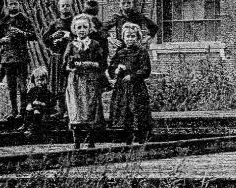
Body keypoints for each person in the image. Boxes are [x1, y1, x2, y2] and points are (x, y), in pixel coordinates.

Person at [61, 13, 108, 148]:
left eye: (85, 27)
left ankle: (90, 140)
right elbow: (65, 64)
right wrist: (71, 67)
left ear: (89, 29)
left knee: (90, 108)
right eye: (79, 27)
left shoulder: (95, 44)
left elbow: (102, 63)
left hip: (90, 80)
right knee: (76, 108)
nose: (82, 30)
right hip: (75, 81)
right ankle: (76, 141)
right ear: (74, 29)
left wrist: (90, 64)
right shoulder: (71, 45)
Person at [108, 22, 154, 145]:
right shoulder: (120, 52)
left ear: (138, 37)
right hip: (122, 87)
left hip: (136, 88)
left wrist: (132, 76)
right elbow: (111, 67)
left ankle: (141, 140)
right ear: (123, 37)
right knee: (124, 112)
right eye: (127, 36)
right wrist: (116, 70)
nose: (130, 39)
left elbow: (145, 70)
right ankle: (127, 140)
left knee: (138, 112)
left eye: (133, 36)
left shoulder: (142, 51)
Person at [0, 0, 38, 122]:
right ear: (7, 5)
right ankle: (13, 111)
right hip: (8, 57)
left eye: (16, 3)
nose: (13, 6)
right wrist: (2, 40)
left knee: (22, 85)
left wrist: (22, 33)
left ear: (19, 4)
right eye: (11, 4)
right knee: (11, 86)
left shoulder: (24, 19)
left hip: (21, 56)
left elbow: (33, 35)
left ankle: (23, 110)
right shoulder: (4, 20)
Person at [20, 68, 59, 135]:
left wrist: (43, 103)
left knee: (36, 111)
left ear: (46, 80)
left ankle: (31, 128)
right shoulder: (32, 90)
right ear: (34, 81)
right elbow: (28, 99)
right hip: (33, 107)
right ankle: (25, 124)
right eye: (37, 80)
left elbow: (52, 102)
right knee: (28, 109)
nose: (39, 82)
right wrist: (31, 103)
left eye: (42, 80)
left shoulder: (47, 92)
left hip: (44, 109)